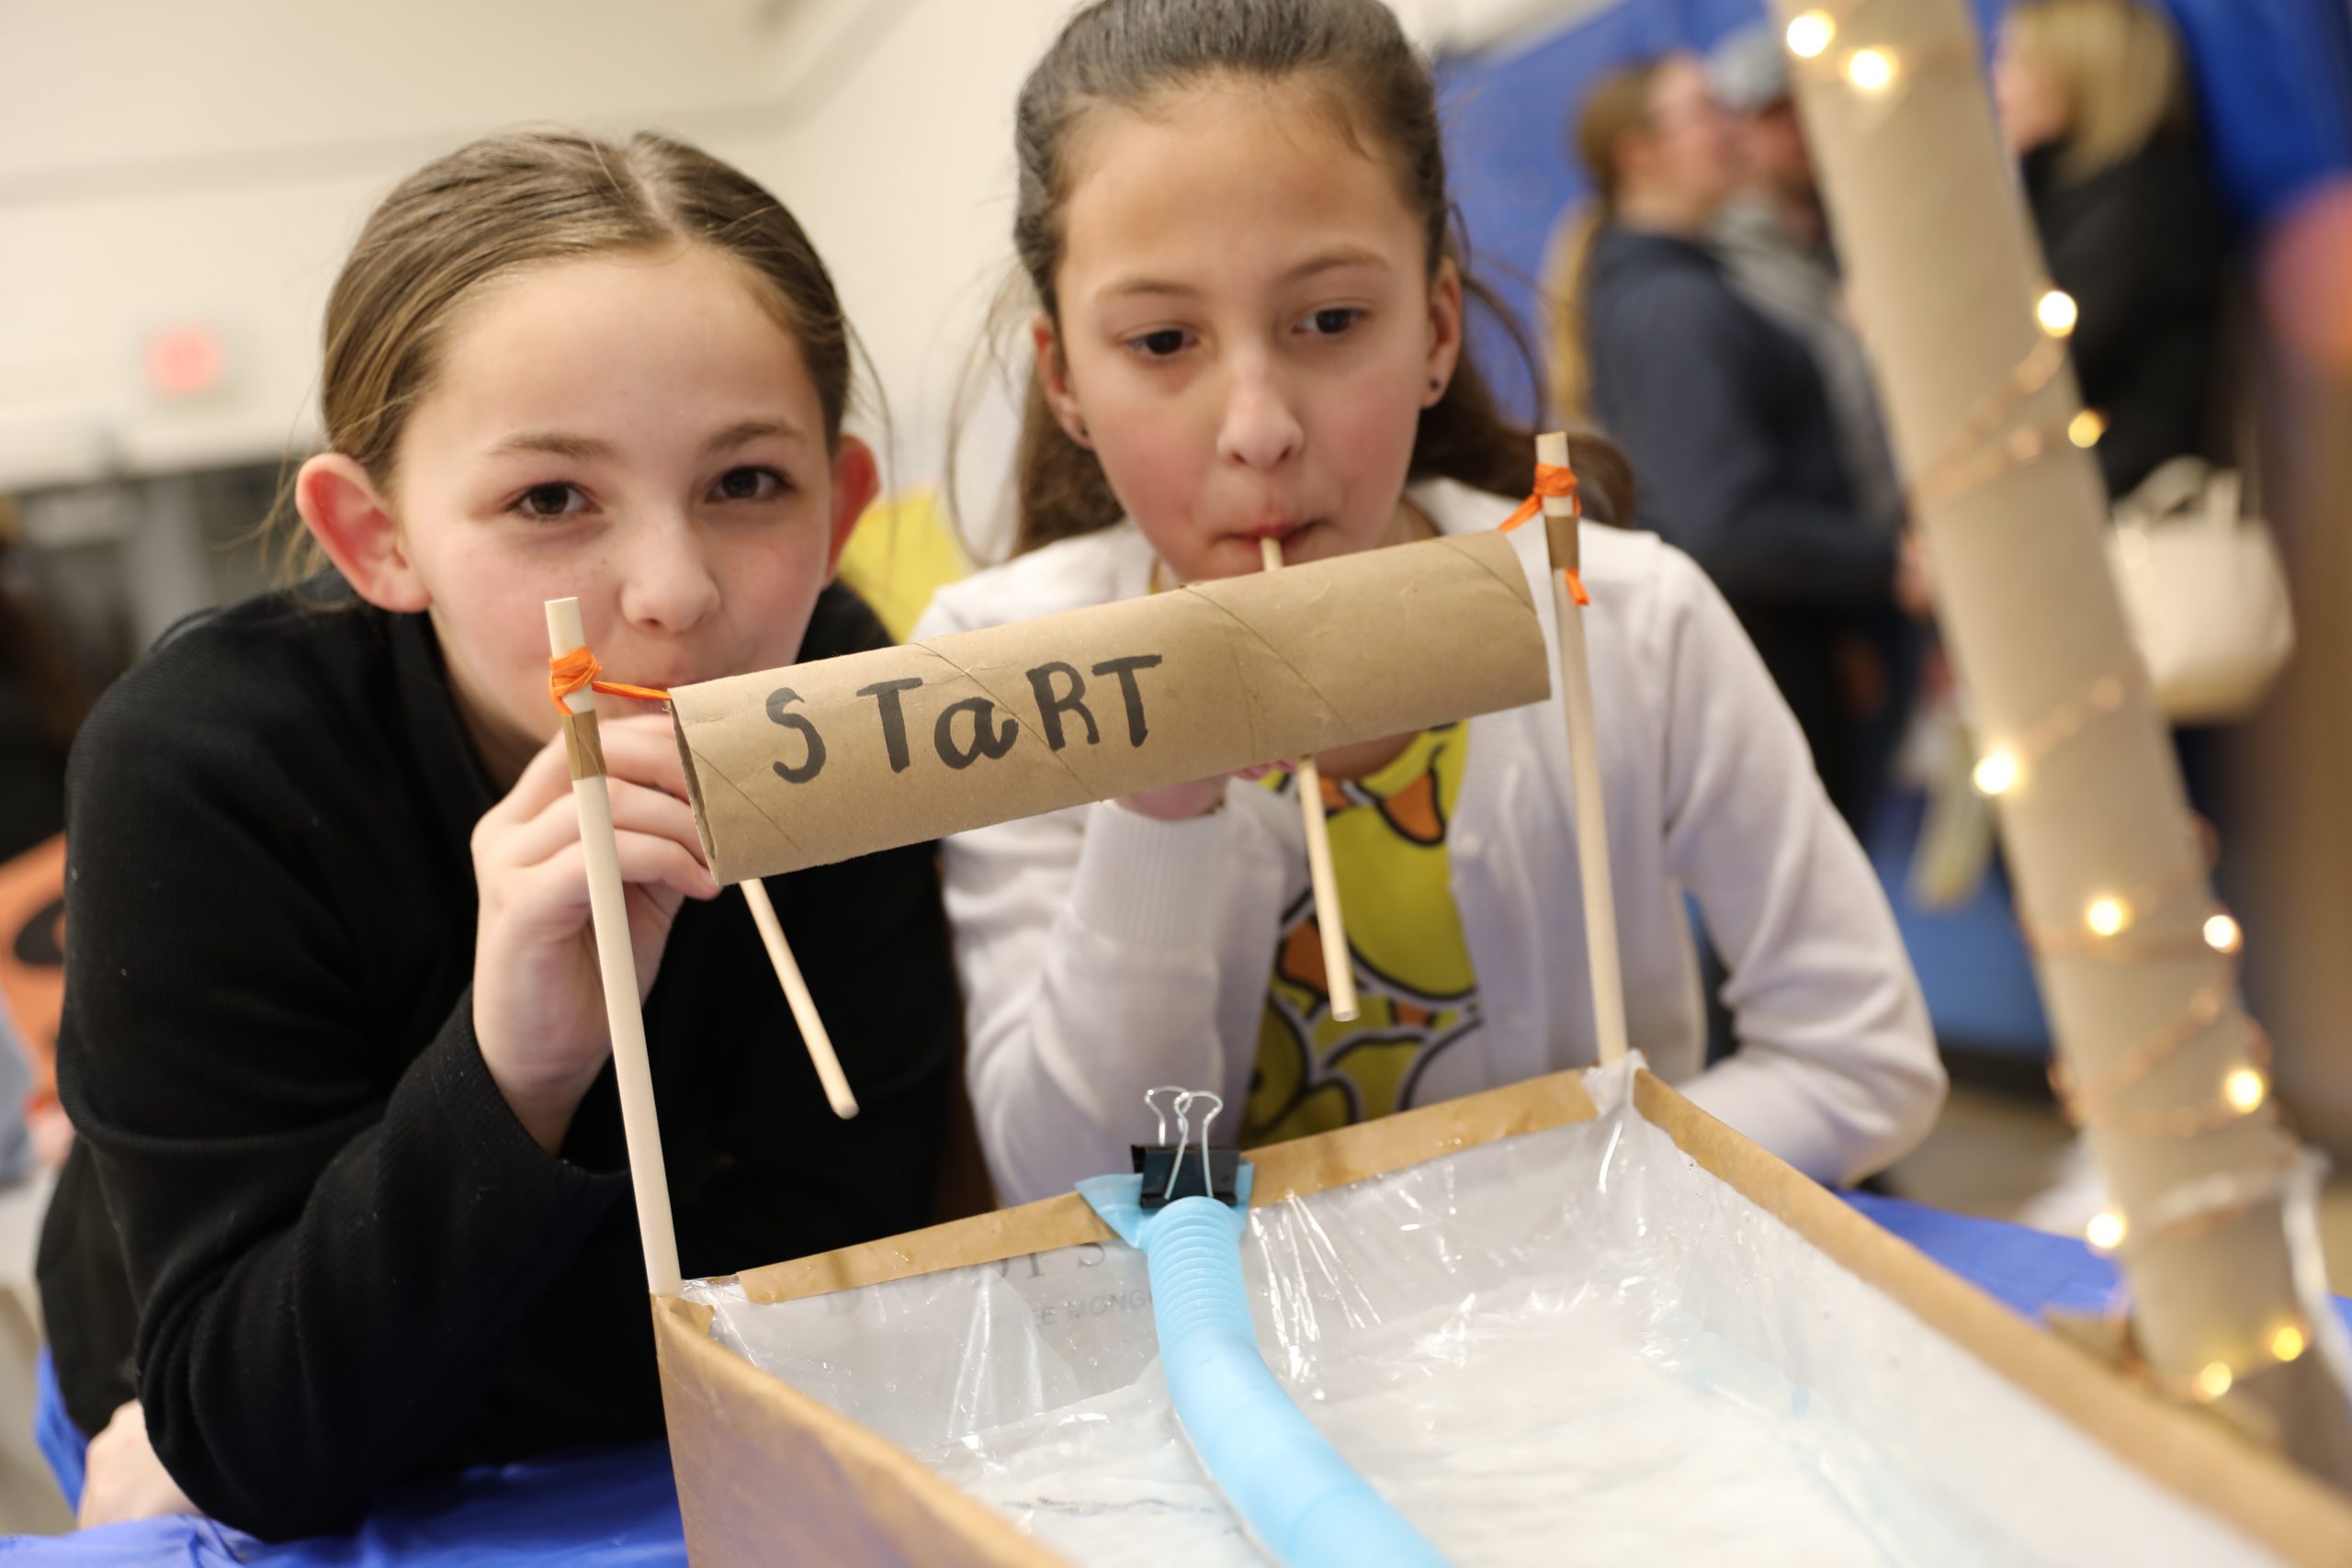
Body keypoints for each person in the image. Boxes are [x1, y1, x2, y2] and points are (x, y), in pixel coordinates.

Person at [36, 130, 961, 1540]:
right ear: (373, 535)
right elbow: (248, 1424)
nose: (672, 591)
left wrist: (331, 1382)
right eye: (549, 498)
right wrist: (513, 1072)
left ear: (841, 509)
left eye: (747, 482)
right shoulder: (203, 763)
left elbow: (832, 1280)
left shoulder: (834, 684)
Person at [921, 0, 1942, 1208]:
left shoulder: (1622, 617)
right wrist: (1158, 796)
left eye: (1333, 319)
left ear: (1437, 327)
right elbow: (1092, 1190)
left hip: (1602, 1355)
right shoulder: (1005, 673)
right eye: (1159, 340)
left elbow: (1860, 1051)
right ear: (1066, 380)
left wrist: (1552, 1213)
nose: (1259, 428)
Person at [1550, 55, 1928, 832]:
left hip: (1784, 652)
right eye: (1704, 112)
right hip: (1774, 661)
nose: (1731, 130)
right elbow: (1724, 521)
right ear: (1639, 152)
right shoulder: (1675, 309)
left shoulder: (1681, 289)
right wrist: (1885, 563)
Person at [1995, 0, 2229, 502]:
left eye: (2015, 62)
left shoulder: (2140, 202)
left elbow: (2040, 367)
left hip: (2122, 510)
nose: (1999, 87)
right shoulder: (2069, 194)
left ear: (2076, 75)